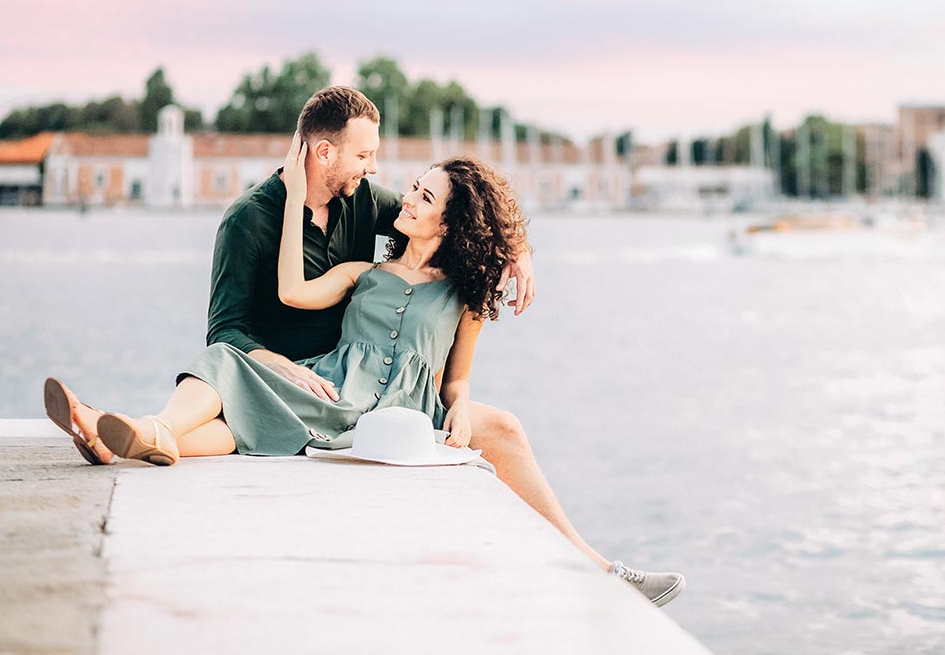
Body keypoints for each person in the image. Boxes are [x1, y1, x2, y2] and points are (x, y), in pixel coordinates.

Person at [44, 86, 684, 606]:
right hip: (325, 386)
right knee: (226, 380)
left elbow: (461, 354)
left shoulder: (439, 268)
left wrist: (514, 255)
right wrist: (293, 208)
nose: (391, 183)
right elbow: (265, 308)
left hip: (403, 408)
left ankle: (604, 570)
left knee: (505, 427)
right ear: (324, 155)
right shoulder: (294, 240)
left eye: (420, 194)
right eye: (366, 157)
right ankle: (135, 433)